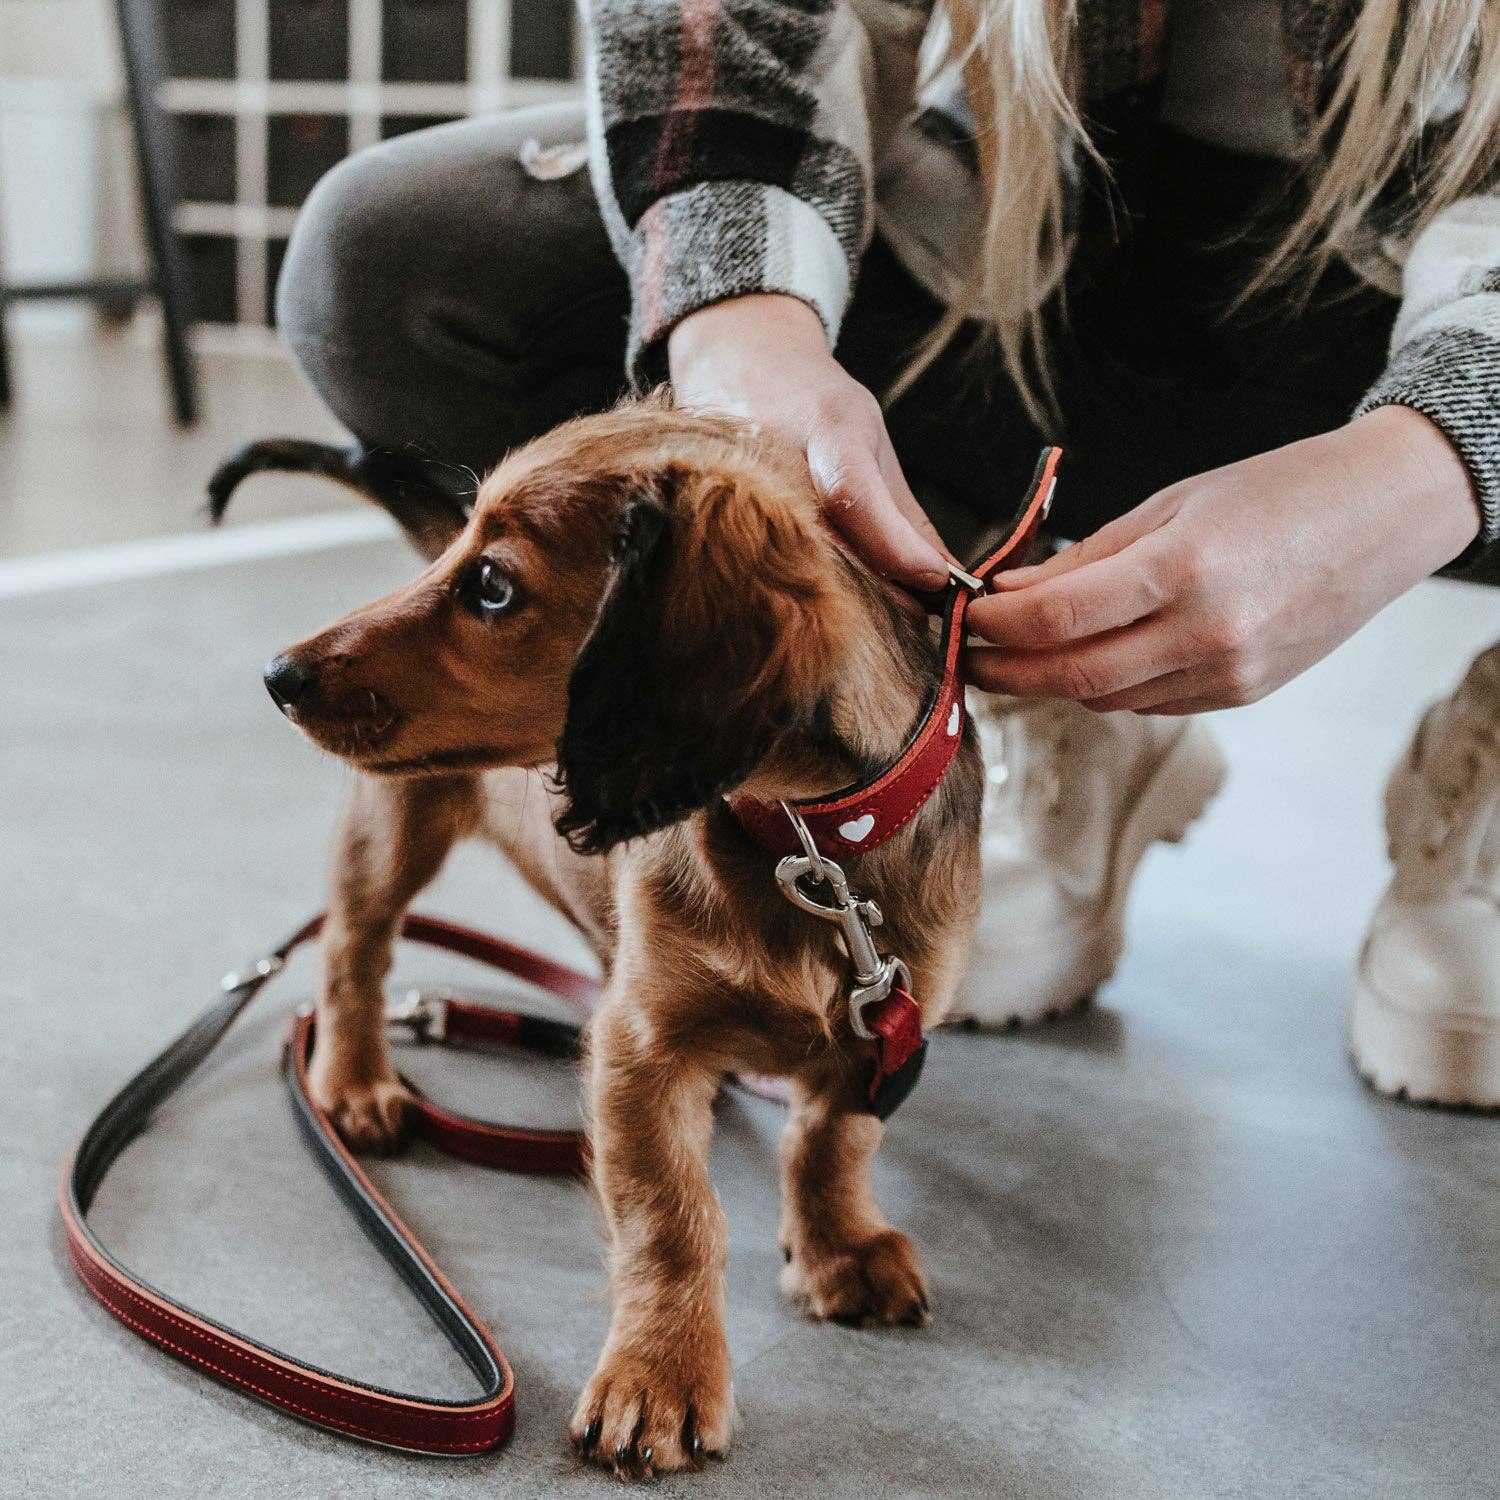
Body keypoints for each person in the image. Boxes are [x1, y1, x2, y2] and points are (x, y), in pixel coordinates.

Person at [275, 0, 1500, 1104]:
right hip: (1007, 234)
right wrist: (738, 323)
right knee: (391, 260)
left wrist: (1435, 462)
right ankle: (1045, 708)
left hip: (1438, 304)